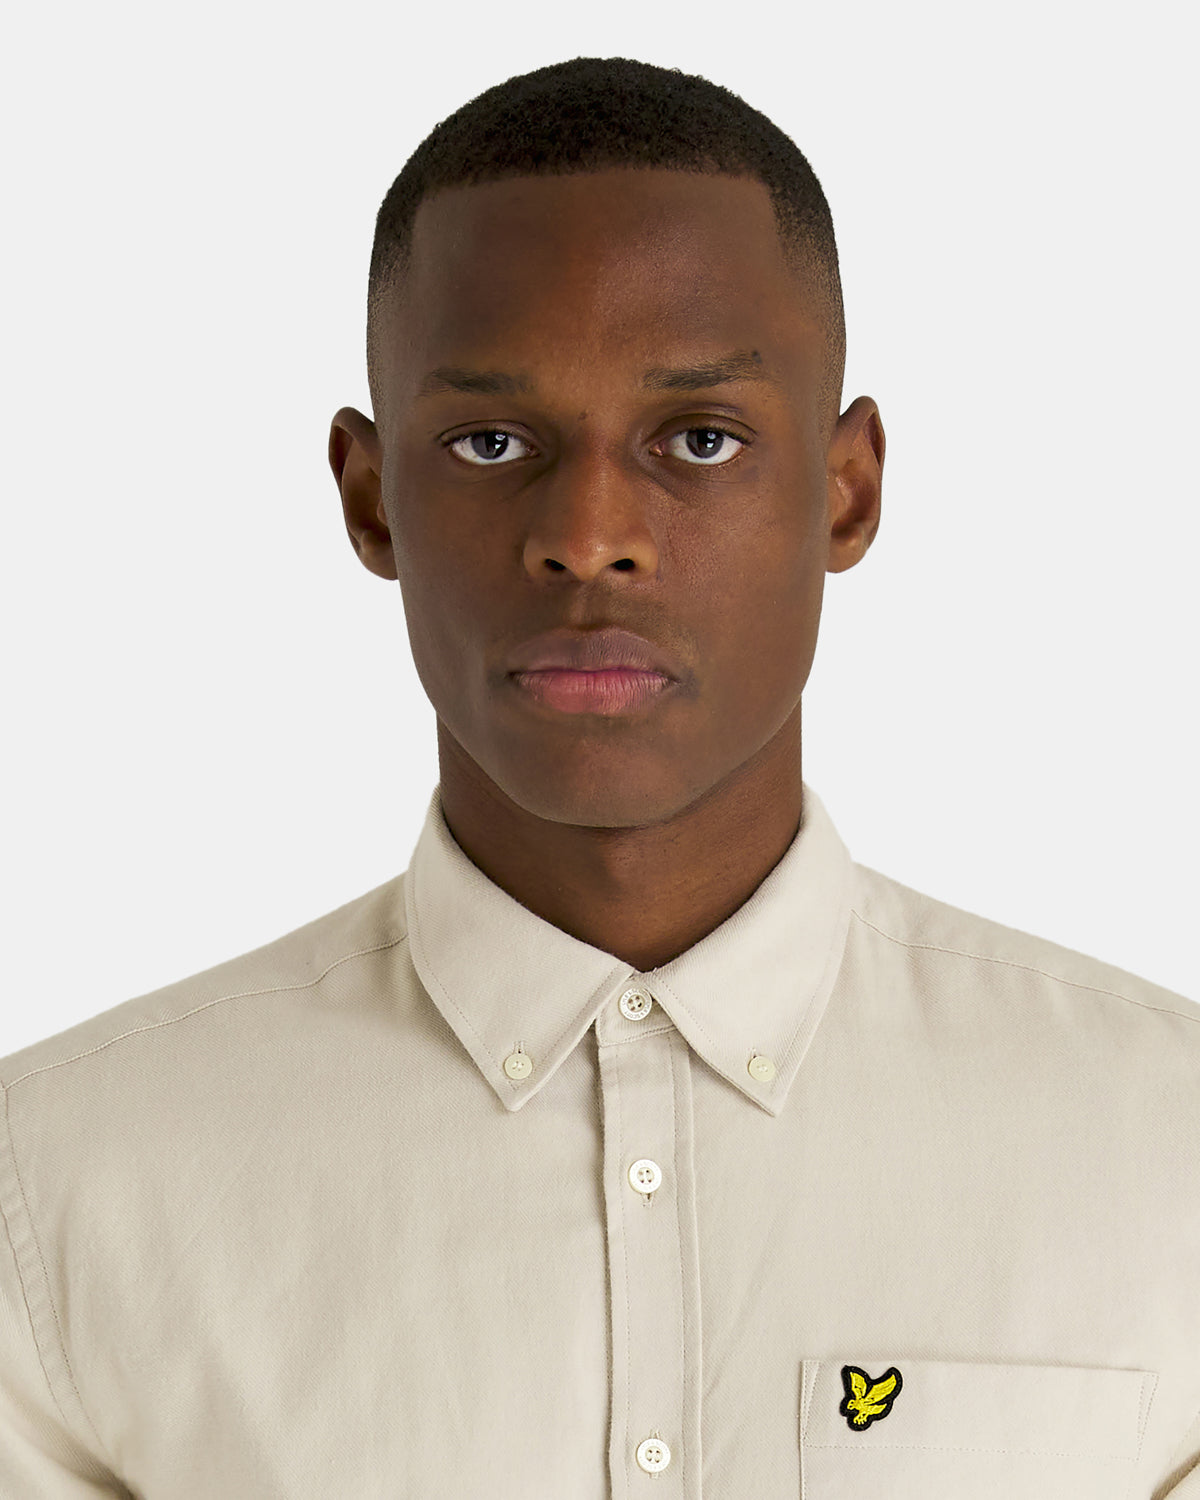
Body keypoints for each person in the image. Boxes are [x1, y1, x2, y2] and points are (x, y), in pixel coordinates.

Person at [1, 55, 1196, 1500]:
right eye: (492, 442)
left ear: (848, 490)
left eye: (699, 439)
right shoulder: (56, 1199)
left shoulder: (1168, 1151)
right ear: (372, 501)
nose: (588, 534)